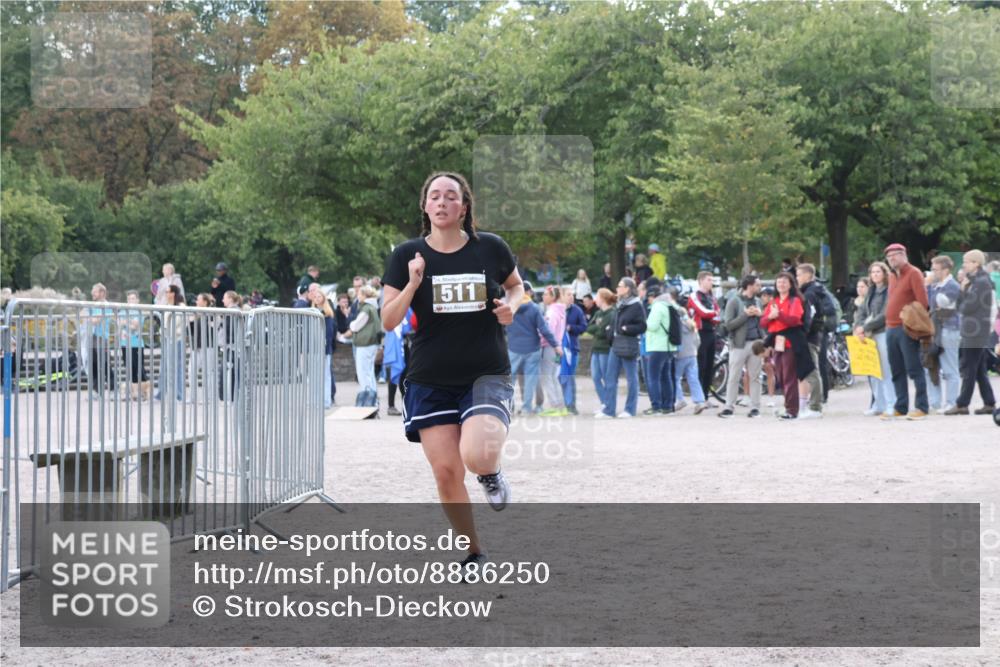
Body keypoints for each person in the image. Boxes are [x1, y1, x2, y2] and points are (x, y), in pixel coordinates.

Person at [381, 171, 523, 572]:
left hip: (485, 373)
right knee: (446, 472)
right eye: (435, 196)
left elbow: (517, 286)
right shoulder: (406, 255)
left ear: (464, 207)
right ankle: (474, 551)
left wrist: (512, 306)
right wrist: (412, 284)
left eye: (451, 196)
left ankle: (490, 473)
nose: (442, 202)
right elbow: (389, 320)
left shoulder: (490, 247)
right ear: (425, 206)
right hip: (430, 378)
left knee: (477, 455)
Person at [882, 243, 930, 420]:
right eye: (889, 257)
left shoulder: (914, 273)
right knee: (896, 369)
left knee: (914, 368)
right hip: (891, 327)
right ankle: (901, 406)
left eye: (895, 255)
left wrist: (910, 321)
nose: (891, 259)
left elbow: (922, 302)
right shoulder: (892, 276)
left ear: (904, 255)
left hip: (906, 327)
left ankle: (922, 407)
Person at [947, 250, 997, 415]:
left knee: (969, 368)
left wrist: (962, 290)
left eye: (966, 261)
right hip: (974, 330)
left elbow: (966, 307)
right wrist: (964, 290)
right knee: (979, 369)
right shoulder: (977, 281)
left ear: (976, 263)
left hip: (976, 331)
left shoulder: (981, 282)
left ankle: (962, 404)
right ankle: (989, 402)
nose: (964, 264)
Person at [762, 272, 814, 420]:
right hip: (777, 342)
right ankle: (788, 407)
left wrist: (778, 315)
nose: (781, 284)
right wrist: (770, 317)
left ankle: (792, 410)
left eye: (784, 282)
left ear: (791, 285)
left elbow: (794, 320)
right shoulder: (773, 302)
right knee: (780, 375)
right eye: (779, 282)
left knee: (789, 376)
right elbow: (763, 322)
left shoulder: (795, 300)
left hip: (791, 342)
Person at [507, 281, 560, 416]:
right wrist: (555, 345)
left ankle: (509, 408)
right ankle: (526, 408)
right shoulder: (535, 308)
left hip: (514, 348)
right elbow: (544, 329)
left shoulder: (509, 307)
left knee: (510, 380)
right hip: (532, 348)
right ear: (528, 292)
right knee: (530, 380)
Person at [598, 277, 646, 419]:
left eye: (620, 286)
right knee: (610, 377)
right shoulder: (620, 304)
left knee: (631, 378)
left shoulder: (636, 305)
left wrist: (626, 328)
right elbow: (616, 323)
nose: (617, 288)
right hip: (616, 344)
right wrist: (610, 331)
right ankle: (609, 410)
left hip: (628, 345)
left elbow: (642, 326)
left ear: (627, 289)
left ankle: (630, 409)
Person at [718, 275, 764, 418]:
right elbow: (728, 325)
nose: (760, 287)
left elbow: (764, 323)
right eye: (757, 285)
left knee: (755, 376)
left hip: (757, 343)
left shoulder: (758, 301)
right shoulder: (734, 301)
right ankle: (729, 407)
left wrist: (760, 315)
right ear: (749, 286)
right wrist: (745, 315)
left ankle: (755, 407)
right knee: (734, 376)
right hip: (738, 344)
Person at [854, 262, 895, 417]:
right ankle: (878, 404)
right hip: (869, 334)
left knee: (885, 370)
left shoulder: (889, 290)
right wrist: (859, 327)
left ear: (884, 273)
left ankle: (891, 404)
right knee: (873, 371)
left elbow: (885, 314)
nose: (875, 274)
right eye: (872, 272)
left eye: (878, 272)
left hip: (883, 332)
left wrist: (864, 327)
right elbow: (862, 311)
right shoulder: (871, 291)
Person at [796, 263, 833, 419]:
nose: (797, 278)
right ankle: (811, 405)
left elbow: (808, 317)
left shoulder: (810, 293)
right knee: (810, 371)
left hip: (810, 337)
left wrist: (802, 333)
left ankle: (815, 406)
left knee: (812, 371)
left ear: (808, 275)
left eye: (799, 275)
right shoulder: (816, 290)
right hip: (814, 335)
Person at [926, 255, 961, 414]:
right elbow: (932, 306)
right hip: (937, 328)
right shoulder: (937, 285)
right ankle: (935, 402)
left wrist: (930, 288)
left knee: (949, 368)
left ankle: (951, 402)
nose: (932, 272)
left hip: (950, 328)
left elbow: (941, 304)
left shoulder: (952, 285)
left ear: (945, 270)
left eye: (935, 269)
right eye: (932, 269)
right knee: (933, 365)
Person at [688, 271, 721, 408]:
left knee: (709, 366)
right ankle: (699, 399)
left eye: (712, 280)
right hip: (699, 333)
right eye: (708, 280)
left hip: (711, 332)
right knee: (700, 365)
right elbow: (703, 312)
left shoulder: (712, 297)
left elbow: (718, 316)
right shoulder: (694, 295)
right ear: (701, 280)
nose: (711, 282)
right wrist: (714, 314)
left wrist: (713, 315)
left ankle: (706, 397)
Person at [643, 285, 677, 415]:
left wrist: (644, 322)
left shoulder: (657, 307)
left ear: (653, 296)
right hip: (668, 346)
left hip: (657, 346)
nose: (648, 301)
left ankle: (656, 406)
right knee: (666, 377)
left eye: (648, 298)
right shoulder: (669, 305)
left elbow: (652, 326)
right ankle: (667, 406)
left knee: (653, 377)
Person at [345, 284, 381, 407]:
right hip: (371, 343)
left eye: (359, 294)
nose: (358, 296)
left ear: (365, 295)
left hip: (364, 344)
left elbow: (355, 326)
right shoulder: (373, 306)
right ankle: (373, 401)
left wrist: (350, 324)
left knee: (363, 372)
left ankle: (366, 401)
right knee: (369, 372)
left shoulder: (366, 308)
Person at [672, 289, 707, 414]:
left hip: (681, 354)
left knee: (675, 377)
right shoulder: (692, 324)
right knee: (693, 378)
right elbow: (698, 340)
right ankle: (699, 401)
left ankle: (679, 399)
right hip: (692, 354)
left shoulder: (678, 324)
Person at [585, 288, 616, 416]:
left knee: (607, 377)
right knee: (596, 377)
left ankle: (609, 405)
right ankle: (604, 403)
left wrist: (598, 328)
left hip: (605, 349)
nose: (595, 300)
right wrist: (598, 327)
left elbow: (603, 332)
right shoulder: (598, 313)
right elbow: (589, 327)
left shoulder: (611, 313)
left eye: (597, 297)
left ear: (603, 298)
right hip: (596, 349)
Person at [155, 285, 186, 402]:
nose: (166, 294)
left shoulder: (180, 306)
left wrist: (166, 330)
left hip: (176, 339)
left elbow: (176, 324)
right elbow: (164, 323)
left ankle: (179, 394)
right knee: (164, 366)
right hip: (167, 338)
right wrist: (162, 331)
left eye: (167, 292)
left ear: (173, 293)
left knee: (177, 367)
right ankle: (161, 393)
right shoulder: (167, 305)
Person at [559, 287, 588, 415]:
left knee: (569, 377)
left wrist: (571, 328)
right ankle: (562, 403)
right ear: (562, 296)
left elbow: (583, 327)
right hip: (558, 349)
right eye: (568, 294)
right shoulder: (557, 309)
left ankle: (571, 405)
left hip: (572, 349)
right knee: (559, 377)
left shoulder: (577, 310)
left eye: (572, 295)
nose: (571, 297)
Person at [86, 283, 116, 395]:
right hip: (93, 337)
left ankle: (113, 389)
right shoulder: (95, 305)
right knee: (94, 365)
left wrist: (88, 319)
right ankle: (96, 390)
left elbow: (96, 320)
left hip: (102, 338)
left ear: (102, 293)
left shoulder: (105, 305)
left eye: (95, 291)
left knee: (105, 364)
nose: (92, 293)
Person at [119, 290, 150, 400]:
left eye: (133, 298)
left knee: (139, 369)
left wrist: (126, 322)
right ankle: (135, 393)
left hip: (136, 344)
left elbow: (135, 326)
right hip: (125, 344)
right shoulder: (123, 311)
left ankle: (145, 392)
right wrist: (129, 322)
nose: (131, 301)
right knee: (129, 368)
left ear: (137, 300)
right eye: (129, 299)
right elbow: (119, 323)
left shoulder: (139, 311)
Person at [187, 293, 217, 405]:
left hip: (208, 346)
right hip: (196, 347)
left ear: (205, 302)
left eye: (198, 300)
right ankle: (193, 397)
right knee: (191, 371)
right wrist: (191, 321)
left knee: (208, 372)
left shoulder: (211, 313)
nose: (196, 302)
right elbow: (190, 331)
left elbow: (214, 327)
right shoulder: (196, 314)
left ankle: (208, 398)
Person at [311, 289, 338, 411]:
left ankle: (326, 401)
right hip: (313, 348)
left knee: (326, 375)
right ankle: (315, 401)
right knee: (315, 376)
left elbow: (329, 334)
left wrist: (325, 347)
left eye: (319, 296)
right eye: (315, 297)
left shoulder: (327, 314)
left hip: (324, 348)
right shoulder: (311, 313)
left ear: (323, 298)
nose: (317, 298)